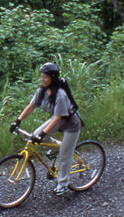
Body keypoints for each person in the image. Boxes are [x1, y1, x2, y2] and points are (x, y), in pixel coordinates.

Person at [10, 62, 83, 195]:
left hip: (71, 123)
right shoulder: (41, 91)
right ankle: (60, 148)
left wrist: (43, 134)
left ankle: (63, 184)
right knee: (34, 137)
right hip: (57, 120)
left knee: (64, 157)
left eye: (46, 77)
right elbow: (30, 107)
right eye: (42, 76)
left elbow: (57, 118)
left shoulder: (60, 95)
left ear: (53, 78)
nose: (42, 79)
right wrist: (17, 121)